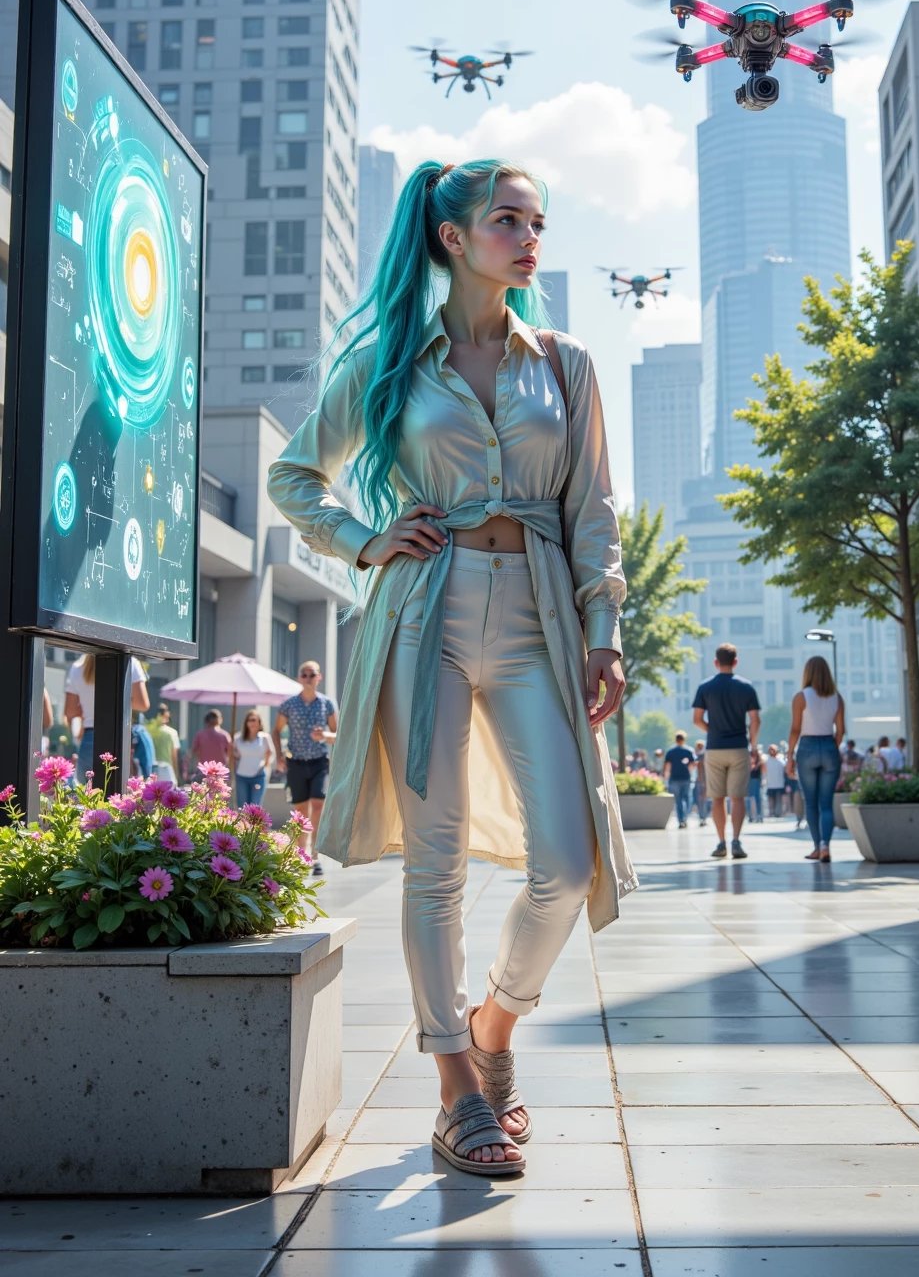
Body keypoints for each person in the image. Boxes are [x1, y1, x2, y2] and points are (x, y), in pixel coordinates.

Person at [266, 157, 633, 1175]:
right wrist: (363, 540)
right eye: (508, 220)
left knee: (567, 862)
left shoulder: (564, 363)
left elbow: (594, 508)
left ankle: (493, 1027)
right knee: (435, 867)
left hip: (538, 616)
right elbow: (294, 474)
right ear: (453, 236)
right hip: (421, 612)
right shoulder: (390, 361)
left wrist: (605, 629)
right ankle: (455, 1089)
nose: (529, 239)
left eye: (538, 223)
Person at [692, 643, 760, 860]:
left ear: (716, 662)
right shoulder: (746, 687)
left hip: (715, 748)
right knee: (738, 798)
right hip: (739, 747)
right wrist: (753, 746)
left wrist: (712, 730)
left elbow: (697, 719)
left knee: (717, 798)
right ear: (735, 662)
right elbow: (755, 720)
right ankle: (736, 841)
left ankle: (721, 843)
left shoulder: (705, 687)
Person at [273, 660, 338, 877]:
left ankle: (316, 857)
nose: (308, 678)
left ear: (319, 677)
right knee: (301, 810)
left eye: (312, 674)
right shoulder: (289, 704)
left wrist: (325, 735)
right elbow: (276, 731)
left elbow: (338, 734)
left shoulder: (327, 704)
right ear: (299, 678)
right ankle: (302, 856)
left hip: (319, 761)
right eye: (304, 674)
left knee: (318, 805)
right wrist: (279, 756)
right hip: (296, 762)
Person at [788, 656, 845, 864]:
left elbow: (795, 729)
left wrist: (790, 756)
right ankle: (825, 846)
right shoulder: (837, 697)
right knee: (826, 803)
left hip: (807, 748)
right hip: (829, 745)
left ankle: (816, 847)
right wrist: (832, 747)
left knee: (811, 803)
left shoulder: (801, 697)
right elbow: (841, 730)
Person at [64, 654, 150, 784]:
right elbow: (142, 704)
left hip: (90, 737)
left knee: (87, 791)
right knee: (123, 791)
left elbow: (69, 711)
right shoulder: (130, 662)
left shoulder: (77, 668)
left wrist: (87, 708)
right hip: (119, 735)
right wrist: (117, 702)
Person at [233, 709, 275, 807]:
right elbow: (234, 756)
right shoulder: (238, 738)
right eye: (251, 720)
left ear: (259, 723)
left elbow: (270, 753)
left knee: (255, 807)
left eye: (256, 720)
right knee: (242, 807)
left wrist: (266, 764)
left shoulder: (264, 738)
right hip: (241, 776)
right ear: (246, 722)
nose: (253, 723)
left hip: (258, 776)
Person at [188, 709, 233, 780]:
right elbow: (229, 752)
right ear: (220, 720)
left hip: (203, 770)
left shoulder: (200, 735)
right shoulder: (225, 735)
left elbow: (194, 751)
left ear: (206, 721)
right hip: (220, 771)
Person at [663, 732, 696, 826]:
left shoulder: (671, 752)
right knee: (687, 798)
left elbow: (667, 766)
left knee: (678, 800)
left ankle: (681, 819)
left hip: (674, 778)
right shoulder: (689, 751)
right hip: (686, 778)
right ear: (684, 739)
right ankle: (685, 818)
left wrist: (666, 778)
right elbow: (692, 764)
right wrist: (688, 771)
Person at [150, 703, 181, 782]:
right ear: (166, 714)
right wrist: (176, 775)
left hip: (153, 769)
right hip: (167, 769)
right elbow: (174, 756)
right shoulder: (172, 732)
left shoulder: (150, 732)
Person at [764, 744, 787, 816]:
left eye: (773, 750)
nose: (772, 752)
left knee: (779, 800)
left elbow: (785, 769)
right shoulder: (767, 761)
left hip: (779, 784)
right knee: (771, 800)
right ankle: (771, 812)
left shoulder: (781, 760)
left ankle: (778, 813)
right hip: (770, 784)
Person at [746, 748, 764, 823]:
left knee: (758, 798)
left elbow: (763, 770)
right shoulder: (748, 760)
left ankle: (759, 815)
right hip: (750, 780)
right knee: (750, 798)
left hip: (757, 780)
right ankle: (751, 815)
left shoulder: (760, 761)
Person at [693, 740, 708, 824]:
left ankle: (702, 817)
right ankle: (703, 817)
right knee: (703, 800)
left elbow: (699, 769)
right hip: (704, 780)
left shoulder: (700, 756)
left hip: (701, 780)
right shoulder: (703, 756)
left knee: (702, 800)